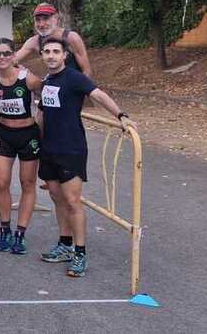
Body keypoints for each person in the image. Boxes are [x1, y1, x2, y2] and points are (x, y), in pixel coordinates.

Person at [37, 37, 135, 278]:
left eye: (55, 52)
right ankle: (65, 244)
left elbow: (99, 95)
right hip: (48, 148)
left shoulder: (73, 77)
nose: (51, 55)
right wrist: (37, 141)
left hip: (71, 149)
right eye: (47, 51)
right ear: (42, 55)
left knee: (72, 201)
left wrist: (121, 116)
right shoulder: (47, 80)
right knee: (57, 198)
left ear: (64, 55)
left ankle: (80, 253)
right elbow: (42, 112)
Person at [0, 38, 43, 254]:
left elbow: (46, 95)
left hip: (28, 135)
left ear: (13, 54)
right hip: (4, 134)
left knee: (27, 183)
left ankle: (20, 233)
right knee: (2, 182)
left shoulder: (28, 78)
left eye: (6, 53)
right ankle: (5, 229)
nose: (2, 57)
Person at [12, 3, 92, 77]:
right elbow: (11, 60)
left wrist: (84, 89)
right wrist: (23, 71)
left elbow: (87, 71)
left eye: (46, 19)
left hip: (75, 84)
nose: (41, 24)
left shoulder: (71, 37)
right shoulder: (34, 41)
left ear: (56, 18)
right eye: (37, 20)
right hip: (54, 83)